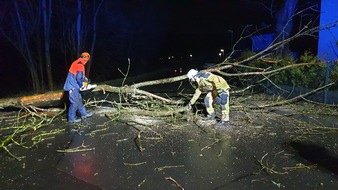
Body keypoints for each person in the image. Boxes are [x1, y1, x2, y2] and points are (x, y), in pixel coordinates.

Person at [63, 52, 93, 123]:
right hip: (73, 86)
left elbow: (79, 76)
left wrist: (85, 80)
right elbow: (79, 78)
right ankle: (71, 119)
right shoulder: (80, 65)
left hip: (74, 85)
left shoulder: (76, 62)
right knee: (74, 103)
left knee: (79, 100)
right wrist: (83, 85)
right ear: (86, 58)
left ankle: (84, 114)